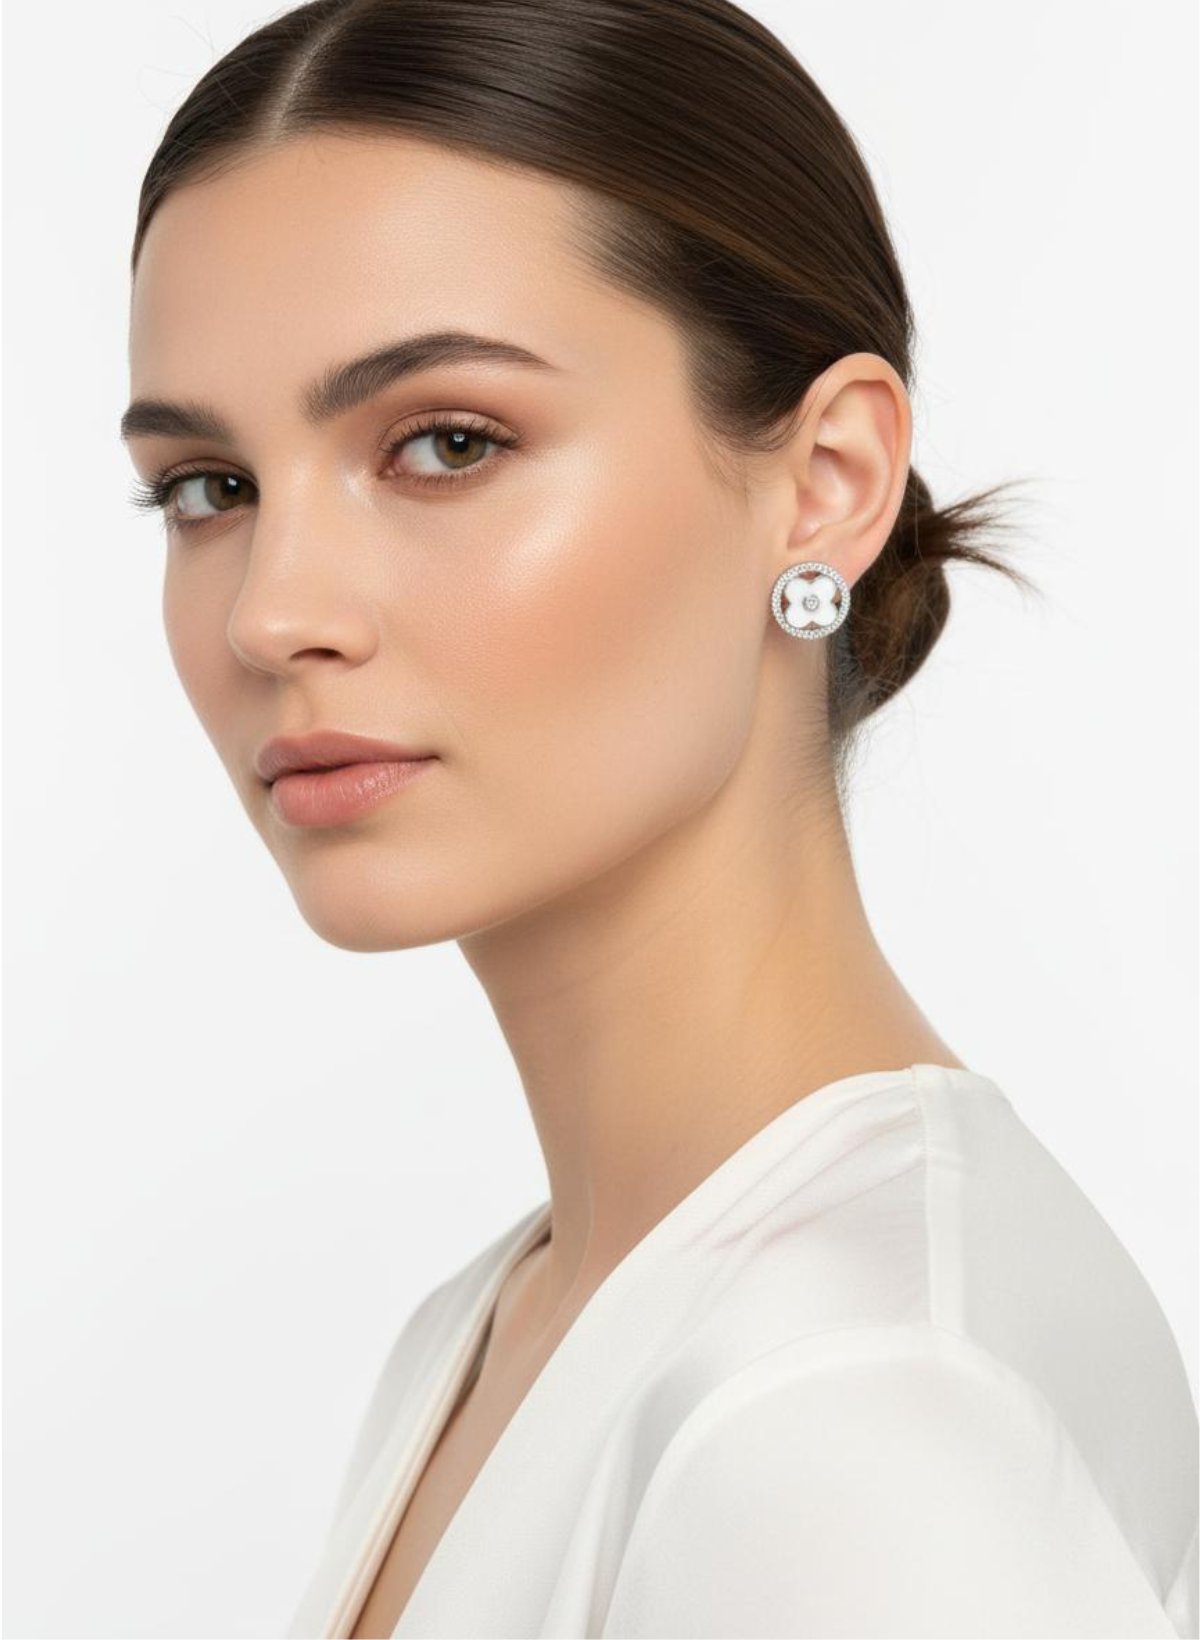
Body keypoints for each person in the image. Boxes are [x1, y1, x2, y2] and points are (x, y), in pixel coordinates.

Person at [120, 0, 1198, 1634]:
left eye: (447, 443)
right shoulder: (517, 1316)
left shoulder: (844, 1408)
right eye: (211, 486)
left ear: (827, 480)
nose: (275, 612)